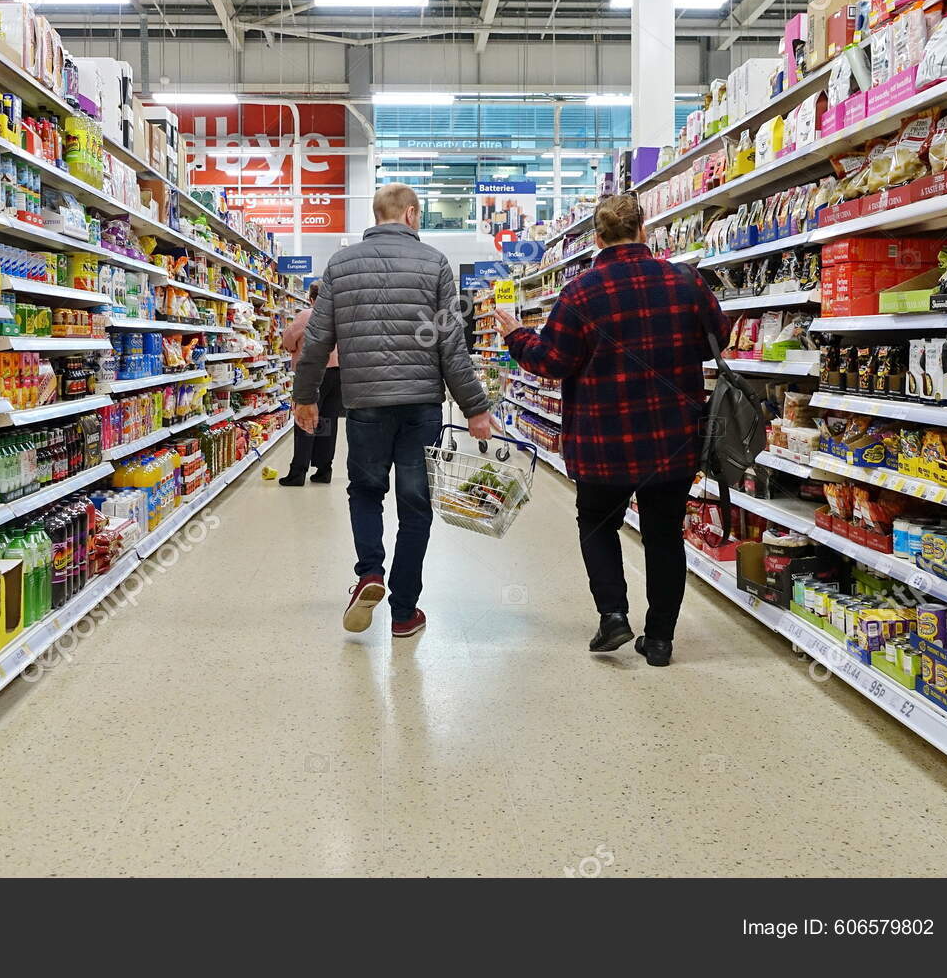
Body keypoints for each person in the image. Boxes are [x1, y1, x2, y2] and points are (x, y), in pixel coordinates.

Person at [495, 193, 727, 667]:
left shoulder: (581, 291)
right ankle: (660, 639)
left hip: (604, 441)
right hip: (672, 436)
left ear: (597, 239)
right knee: (665, 534)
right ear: (643, 231)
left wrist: (516, 335)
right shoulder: (684, 281)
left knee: (597, 524)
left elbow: (552, 362)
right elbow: (718, 339)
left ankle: (614, 615)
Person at [295, 184, 496, 639]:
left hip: (365, 402)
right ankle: (404, 612)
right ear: (409, 214)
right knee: (415, 505)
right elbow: (451, 345)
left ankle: (369, 574)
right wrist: (475, 408)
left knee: (365, 493)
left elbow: (316, 341)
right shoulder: (434, 262)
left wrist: (304, 396)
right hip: (421, 405)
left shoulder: (340, 265)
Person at [279, 281, 340, 486]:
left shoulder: (306, 315)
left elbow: (287, 342)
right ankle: (324, 470)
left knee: (305, 419)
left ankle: (298, 472)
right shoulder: (338, 315)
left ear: (311, 299)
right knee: (326, 420)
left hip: (312, 374)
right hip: (337, 374)